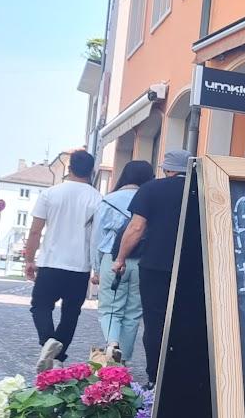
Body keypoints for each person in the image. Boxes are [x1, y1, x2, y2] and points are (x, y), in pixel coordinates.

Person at [111, 149, 189, 387]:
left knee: (155, 323)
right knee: (187, 321)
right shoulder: (205, 189)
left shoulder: (151, 189)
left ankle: (156, 378)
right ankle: (183, 377)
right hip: (193, 268)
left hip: (155, 265)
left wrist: (120, 258)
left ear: (168, 169)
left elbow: (136, 228)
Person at [24, 149, 102, 372]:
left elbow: (35, 232)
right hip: (80, 266)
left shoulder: (50, 194)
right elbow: (97, 237)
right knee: (71, 313)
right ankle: (57, 354)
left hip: (50, 262)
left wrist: (30, 260)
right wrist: (97, 267)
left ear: (69, 169)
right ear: (92, 170)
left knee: (40, 306)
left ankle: (48, 342)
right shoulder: (97, 199)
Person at [91, 160, 155, 363]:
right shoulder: (150, 199)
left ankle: (112, 344)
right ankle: (122, 361)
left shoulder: (108, 200)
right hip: (141, 260)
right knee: (134, 312)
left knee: (110, 308)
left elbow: (97, 237)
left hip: (113, 258)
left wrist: (96, 267)